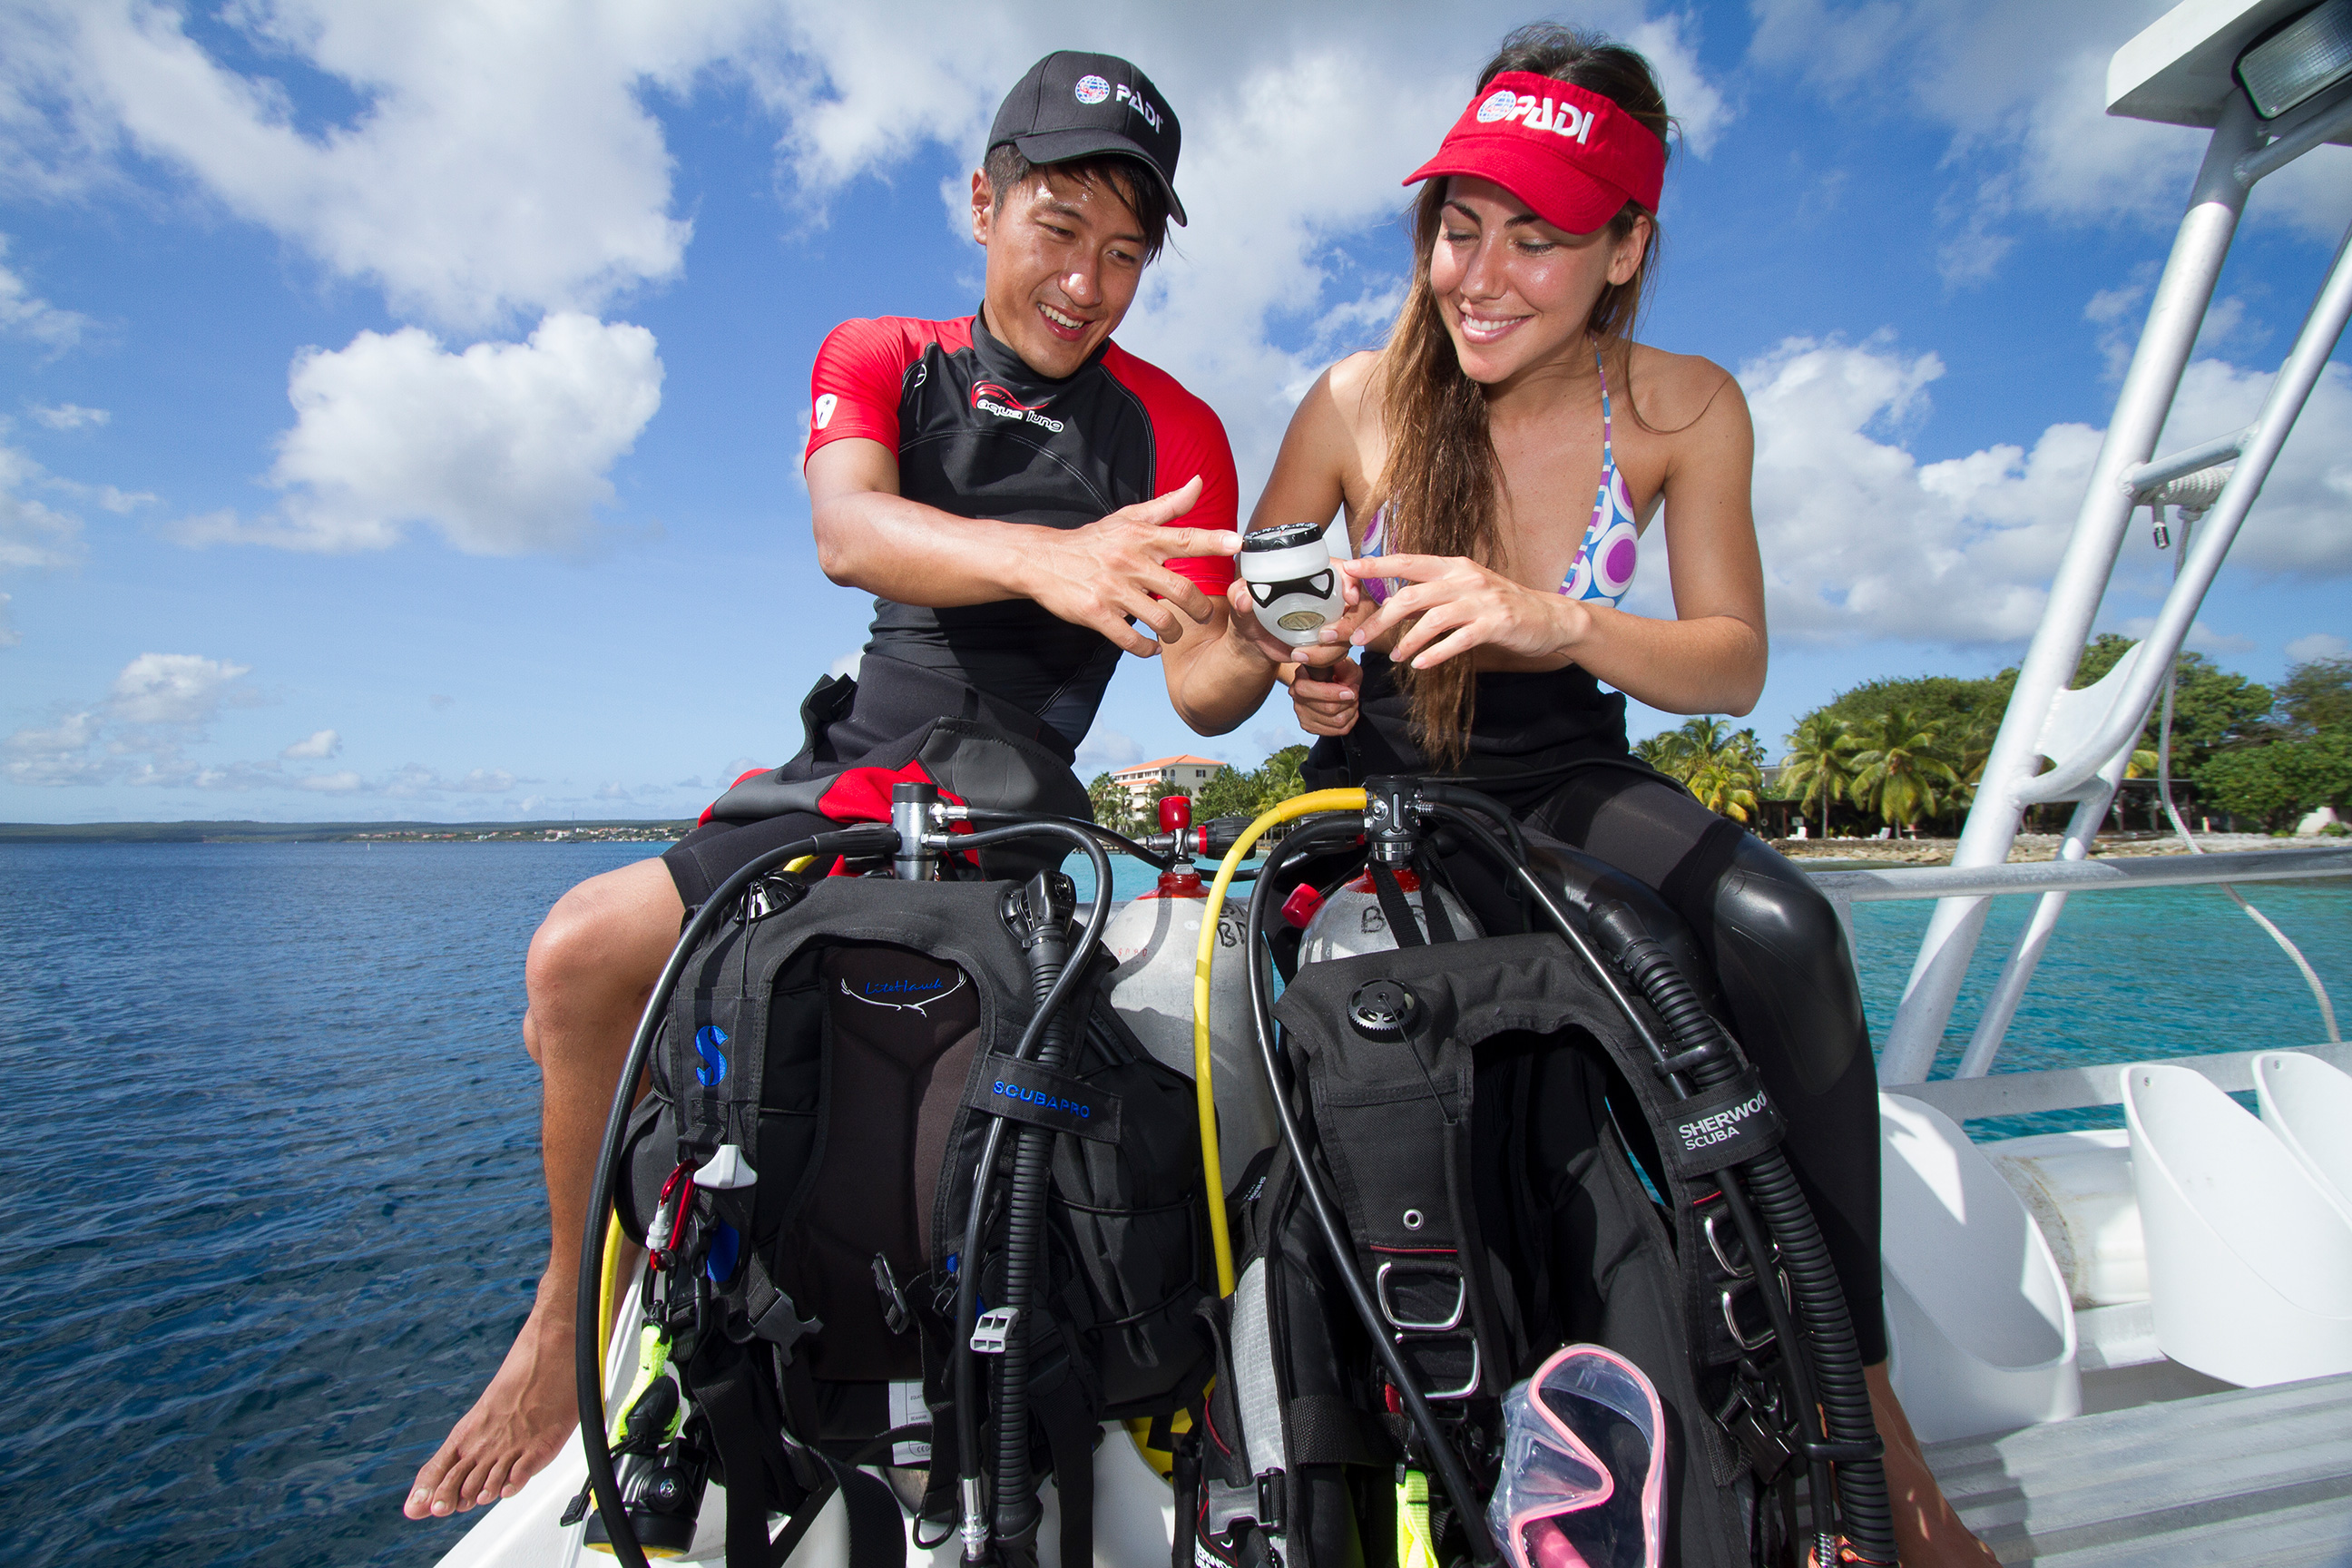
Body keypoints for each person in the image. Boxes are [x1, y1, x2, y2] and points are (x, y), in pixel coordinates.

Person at [405, 50, 1311, 1522]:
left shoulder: (1177, 430)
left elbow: (1202, 678)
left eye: (1127, 253)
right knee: (575, 955)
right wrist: (1055, 559)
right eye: (1057, 229)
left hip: (1015, 804)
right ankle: (564, 1301)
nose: (1088, 281)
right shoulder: (880, 352)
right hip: (843, 781)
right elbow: (853, 529)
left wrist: (1258, 654)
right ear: (982, 202)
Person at [1252, 25, 1998, 1567]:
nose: (1482, 275)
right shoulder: (1350, 399)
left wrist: (1552, 620)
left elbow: (1729, 665)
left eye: (1538, 239)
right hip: (1379, 779)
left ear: (1625, 249)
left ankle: (1866, 1414)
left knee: (1783, 932)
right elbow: (1260, 617)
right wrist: (1301, 668)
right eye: (1461, 230)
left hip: (1568, 761)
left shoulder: (1683, 407)